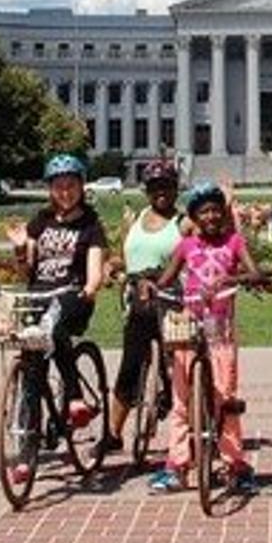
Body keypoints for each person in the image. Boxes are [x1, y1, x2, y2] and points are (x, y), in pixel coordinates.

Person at [145, 181, 261, 494]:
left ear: (223, 214)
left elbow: (255, 273)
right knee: (182, 401)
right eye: (203, 212)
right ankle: (177, 465)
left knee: (226, 399)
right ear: (194, 217)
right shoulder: (186, 246)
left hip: (220, 330)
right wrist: (150, 287)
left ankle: (235, 463)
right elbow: (166, 279)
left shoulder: (234, 242)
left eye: (215, 210)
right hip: (189, 327)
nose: (210, 217)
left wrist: (231, 278)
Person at [7, 153, 108, 482]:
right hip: (39, 295)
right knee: (32, 377)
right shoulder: (41, 221)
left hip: (72, 295)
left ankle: (76, 396)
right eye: (58, 186)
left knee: (57, 324)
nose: (65, 192)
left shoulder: (90, 225)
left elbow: (94, 266)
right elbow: (26, 270)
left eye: (71, 185)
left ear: (81, 187)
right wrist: (21, 248)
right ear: (51, 190)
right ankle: (27, 456)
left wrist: (92, 286)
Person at [100, 158, 184, 461]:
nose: (161, 192)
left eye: (167, 186)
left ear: (176, 189)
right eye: (154, 187)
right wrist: (111, 266)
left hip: (173, 302)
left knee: (177, 370)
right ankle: (112, 434)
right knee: (129, 368)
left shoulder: (184, 222)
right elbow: (124, 256)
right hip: (137, 301)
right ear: (146, 191)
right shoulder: (134, 219)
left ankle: (185, 433)